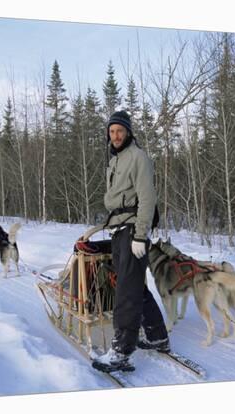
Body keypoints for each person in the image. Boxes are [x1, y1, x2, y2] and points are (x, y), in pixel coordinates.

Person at [93, 110, 169, 372]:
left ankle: (121, 351)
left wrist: (139, 235)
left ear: (128, 132)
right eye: (112, 131)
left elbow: (147, 199)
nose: (115, 136)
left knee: (126, 291)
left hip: (132, 231)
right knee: (134, 285)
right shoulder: (115, 160)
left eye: (120, 131)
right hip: (118, 229)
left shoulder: (138, 157)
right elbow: (116, 201)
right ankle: (157, 334)